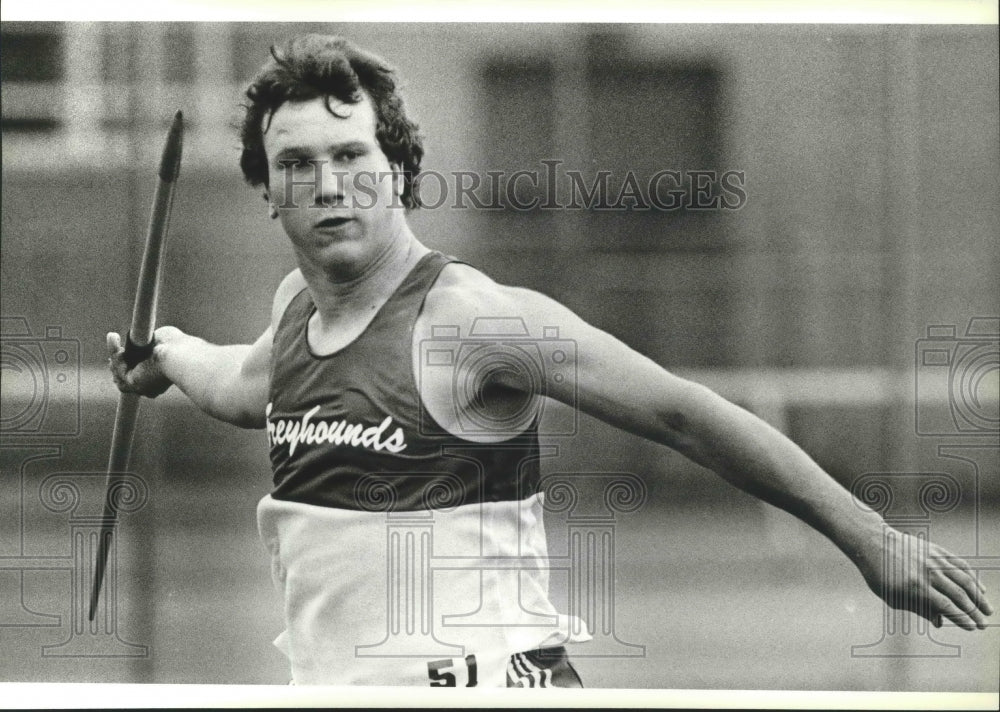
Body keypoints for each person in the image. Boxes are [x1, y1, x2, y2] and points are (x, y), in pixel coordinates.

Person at [107, 34, 993, 687]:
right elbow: (243, 387)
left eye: (351, 155)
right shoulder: (294, 316)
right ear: (265, 192)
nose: (329, 184)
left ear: (400, 170)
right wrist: (169, 353)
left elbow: (683, 413)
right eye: (296, 165)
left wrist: (869, 538)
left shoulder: (471, 319)